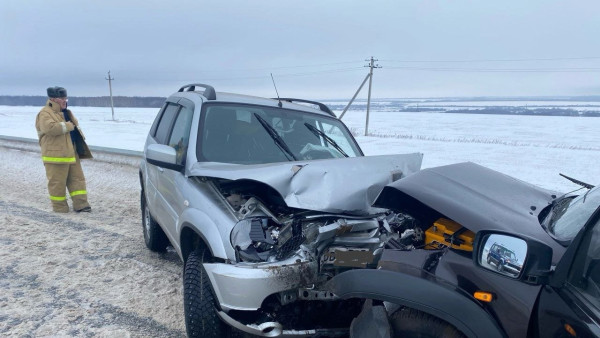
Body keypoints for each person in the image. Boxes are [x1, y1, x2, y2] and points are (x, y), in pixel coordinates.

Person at [35, 86, 93, 213]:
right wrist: (68, 125)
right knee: (57, 182)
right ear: (53, 99)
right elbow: (50, 128)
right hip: (55, 156)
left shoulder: (67, 112)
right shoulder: (45, 113)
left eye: (65, 98)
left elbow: (74, 127)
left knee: (77, 179)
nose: (65, 101)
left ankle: (81, 205)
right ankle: (60, 208)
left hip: (71, 152)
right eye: (62, 98)